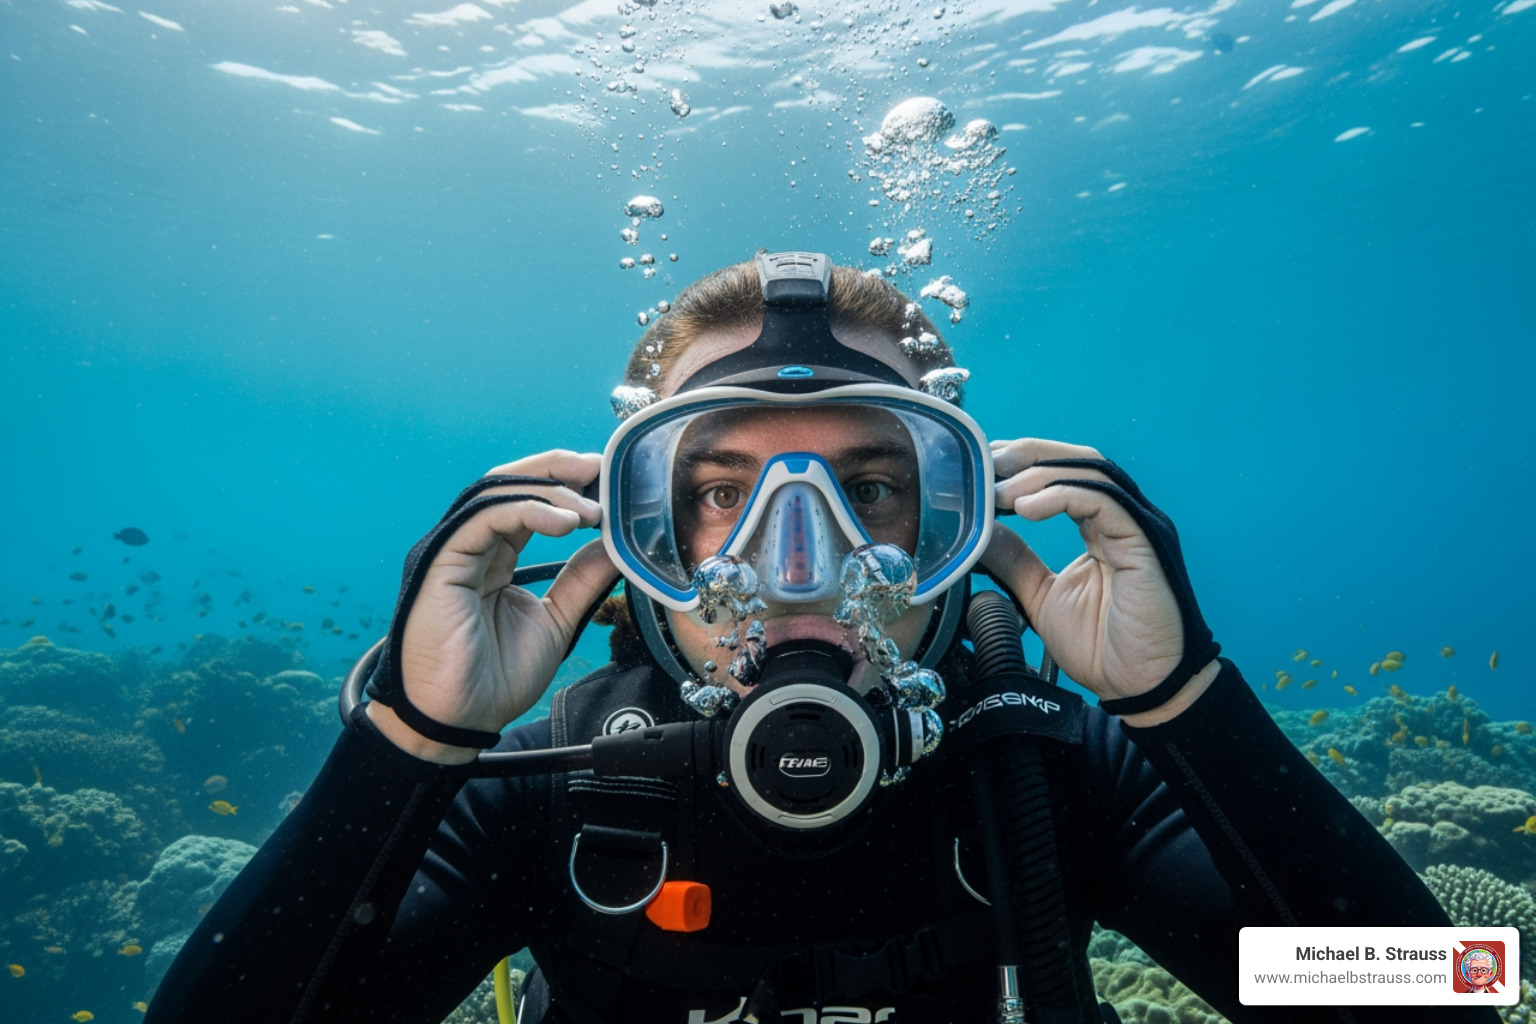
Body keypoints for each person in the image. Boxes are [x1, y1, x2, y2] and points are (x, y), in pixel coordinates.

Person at [146, 252, 1494, 1024]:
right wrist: (416, 736)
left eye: (873, 490)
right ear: (633, 529)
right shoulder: (552, 782)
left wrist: (1181, 698)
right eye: (723, 494)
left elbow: (1436, 998)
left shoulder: (1041, 762)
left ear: (959, 515)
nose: (799, 571)